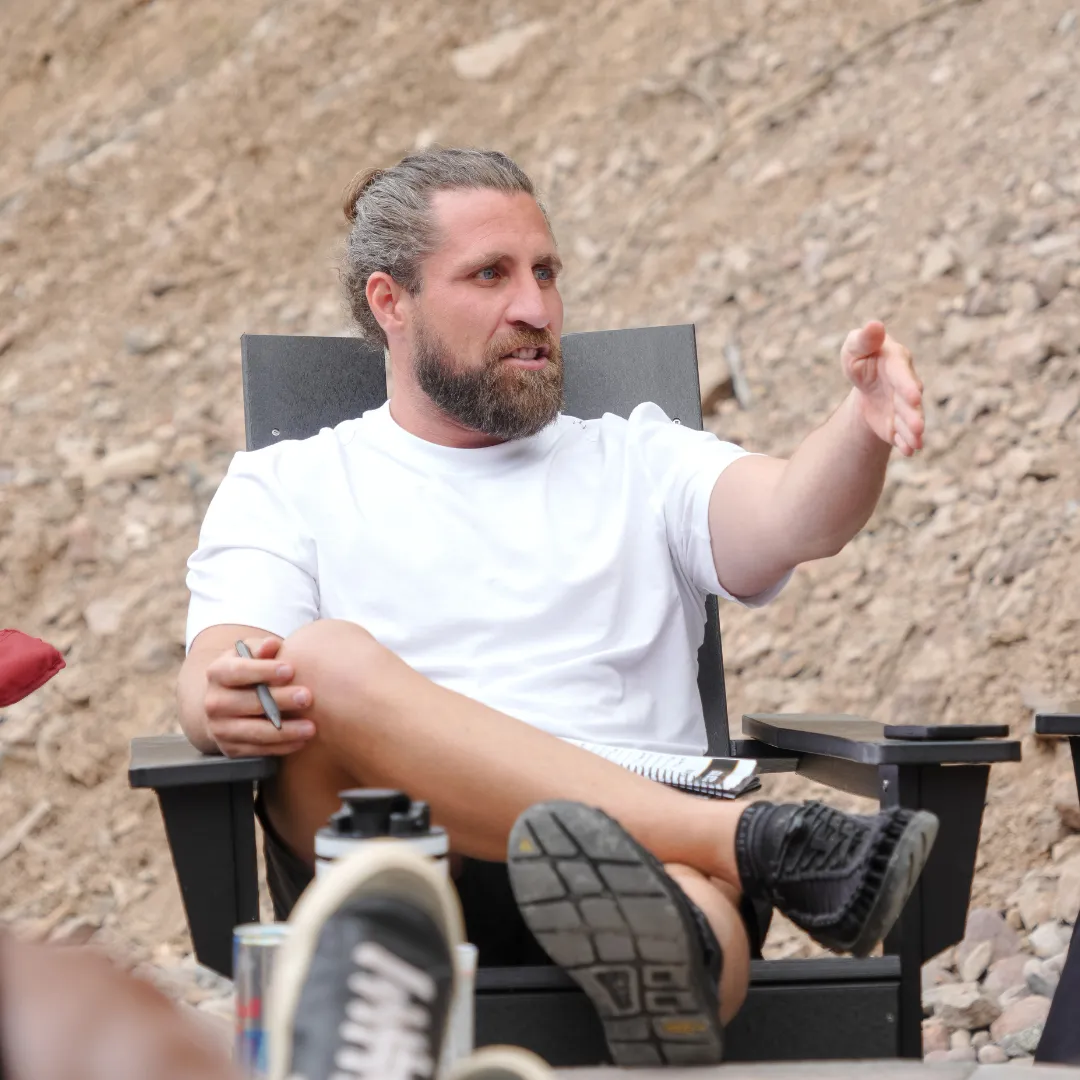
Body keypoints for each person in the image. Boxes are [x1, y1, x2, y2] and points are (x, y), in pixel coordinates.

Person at [177, 147, 936, 1066]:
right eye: (490, 275)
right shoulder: (288, 483)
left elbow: (789, 515)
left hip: (638, 858)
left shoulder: (639, 459)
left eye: (545, 272)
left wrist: (860, 428)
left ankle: (687, 953)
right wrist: (218, 700)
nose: (535, 307)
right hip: (412, 873)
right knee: (319, 663)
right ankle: (756, 842)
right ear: (391, 302)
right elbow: (228, 659)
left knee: (684, 899)